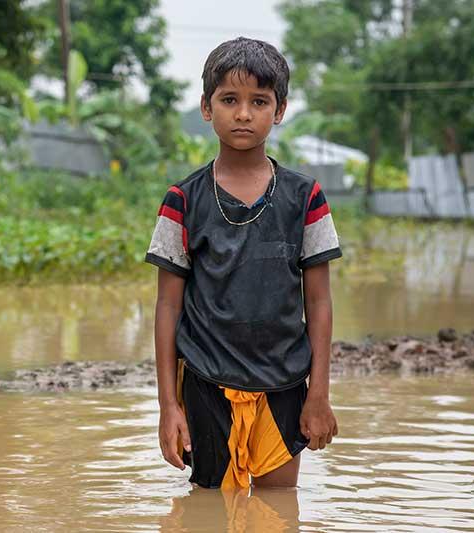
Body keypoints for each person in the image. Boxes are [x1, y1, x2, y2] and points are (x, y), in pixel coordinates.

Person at [145, 37, 342, 490]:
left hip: (285, 383)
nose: (243, 113)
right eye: (229, 99)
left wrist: (319, 394)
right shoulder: (182, 200)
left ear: (280, 110)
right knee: (209, 507)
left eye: (259, 101)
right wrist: (167, 407)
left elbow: (319, 302)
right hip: (205, 382)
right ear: (206, 107)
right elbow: (167, 308)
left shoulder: (305, 198)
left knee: (278, 507)